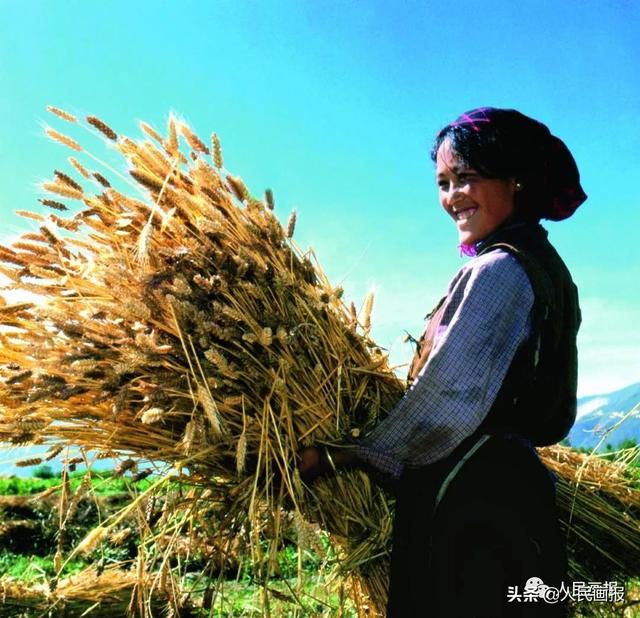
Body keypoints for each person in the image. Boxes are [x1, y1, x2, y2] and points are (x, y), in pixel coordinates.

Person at [298, 107, 586, 617]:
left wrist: (351, 454)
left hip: (470, 503)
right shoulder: (545, 265)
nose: (453, 196)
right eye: (444, 182)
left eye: (468, 178)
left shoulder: (498, 271)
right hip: (514, 494)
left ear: (515, 179)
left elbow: (443, 405)